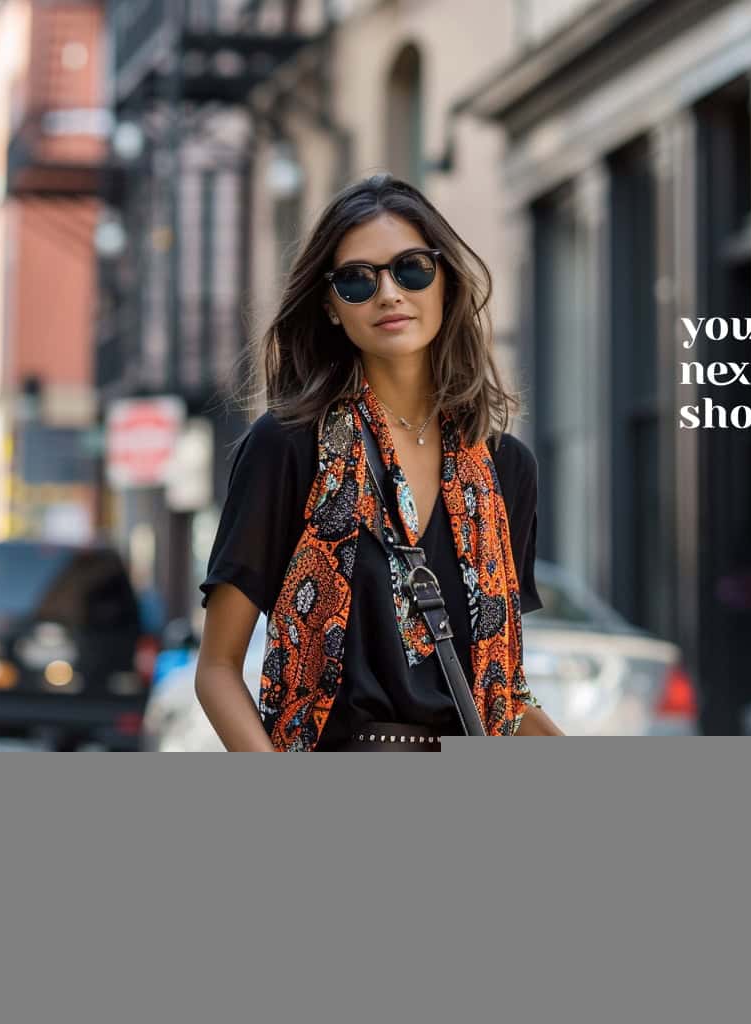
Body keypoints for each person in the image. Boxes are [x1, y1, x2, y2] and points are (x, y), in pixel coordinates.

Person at [195, 172, 565, 750]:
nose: (390, 293)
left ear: (445, 281)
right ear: (331, 307)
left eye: (412, 268)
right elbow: (217, 669)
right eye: (357, 281)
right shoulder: (287, 446)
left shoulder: (505, 468)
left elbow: (502, 702)